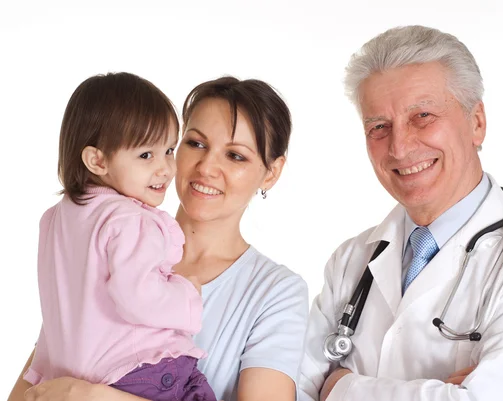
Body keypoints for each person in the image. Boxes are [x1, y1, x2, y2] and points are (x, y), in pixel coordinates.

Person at [299, 25, 503, 401]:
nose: (400, 147)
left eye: (422, 115)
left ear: (477, 123)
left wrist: (340, 387)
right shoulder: (351, 262)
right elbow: (286, 390)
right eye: (379, 126)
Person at [9, 76, 308, 401]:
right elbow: (31, 393)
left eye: (235, 156)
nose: (207, 167)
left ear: (271, 172)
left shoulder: (275, 293)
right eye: (195, 143)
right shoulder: (102, 241)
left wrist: (93, 396)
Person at [22, 71, 216, 401]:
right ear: (96, 159)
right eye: (146, 155)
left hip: (68, 373)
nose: (165, 169)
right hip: (140, 374)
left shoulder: (54, 220)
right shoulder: (129, 220)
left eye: (169, 150)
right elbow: (139, 296)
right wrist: (187, 296)